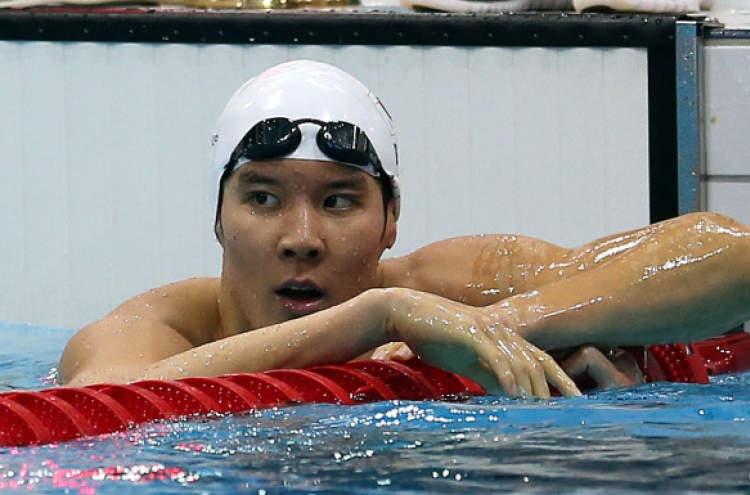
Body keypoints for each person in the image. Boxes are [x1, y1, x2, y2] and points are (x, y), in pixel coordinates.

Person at [59, 60, 750, 399]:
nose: (302, 236)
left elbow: (731, 257)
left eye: (338, 201)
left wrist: (512, 327)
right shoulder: (157, 329)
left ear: (392, 219)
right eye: (264, 198)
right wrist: (377, 316)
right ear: (217, 216)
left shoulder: (447, 287)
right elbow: (100, 407)